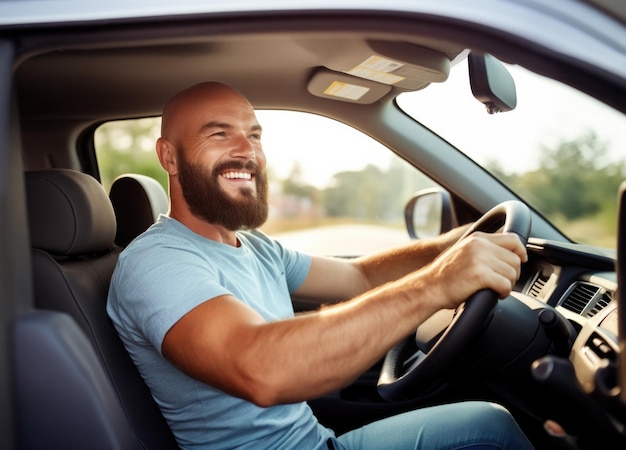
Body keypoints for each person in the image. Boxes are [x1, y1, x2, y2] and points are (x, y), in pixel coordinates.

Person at [107, 81, 533, 450]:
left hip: (316, 440)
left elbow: (360, 276)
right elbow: (262, 369)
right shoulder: (155, 261)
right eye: (219, 134)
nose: (247, 151)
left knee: (489, 420)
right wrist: (436, 285)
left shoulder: (255, 247)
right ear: (170, 157)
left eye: (254, 136)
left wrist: (463, 239)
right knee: (490, 429)